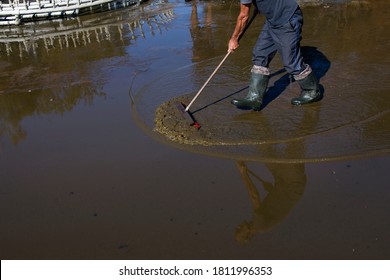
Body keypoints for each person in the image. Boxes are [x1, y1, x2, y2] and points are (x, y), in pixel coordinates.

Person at [228, 0, 321, 111]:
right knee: (260, 54)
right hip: (273, 21)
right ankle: (254, 98)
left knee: (291, 62)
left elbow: (243, 16)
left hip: (288, 19)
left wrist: (234, 38)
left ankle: (312, 91)